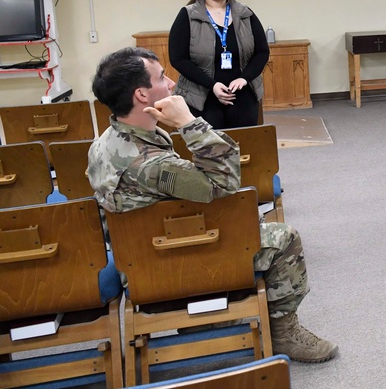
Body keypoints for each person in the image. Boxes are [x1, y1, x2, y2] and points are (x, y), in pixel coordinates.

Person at [87, 47, 336, 363]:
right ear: (141, 95)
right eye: (162, 77)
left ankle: (213, 316)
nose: (173, 84)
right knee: (284, 238)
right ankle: (283, 333)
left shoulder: (105, 142)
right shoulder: (148, 163)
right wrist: (190, 122)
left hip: (139, 263)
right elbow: (227, 182)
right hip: (173, 265)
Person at [169, 0, 269, 130]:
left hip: (241, 93)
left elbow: (262, 52)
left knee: (244, 148)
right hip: (202, 95)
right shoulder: (188, 15)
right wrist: (212, 85)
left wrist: (244, 79)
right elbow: (178, 58)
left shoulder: (245, 13)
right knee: (210, 151)